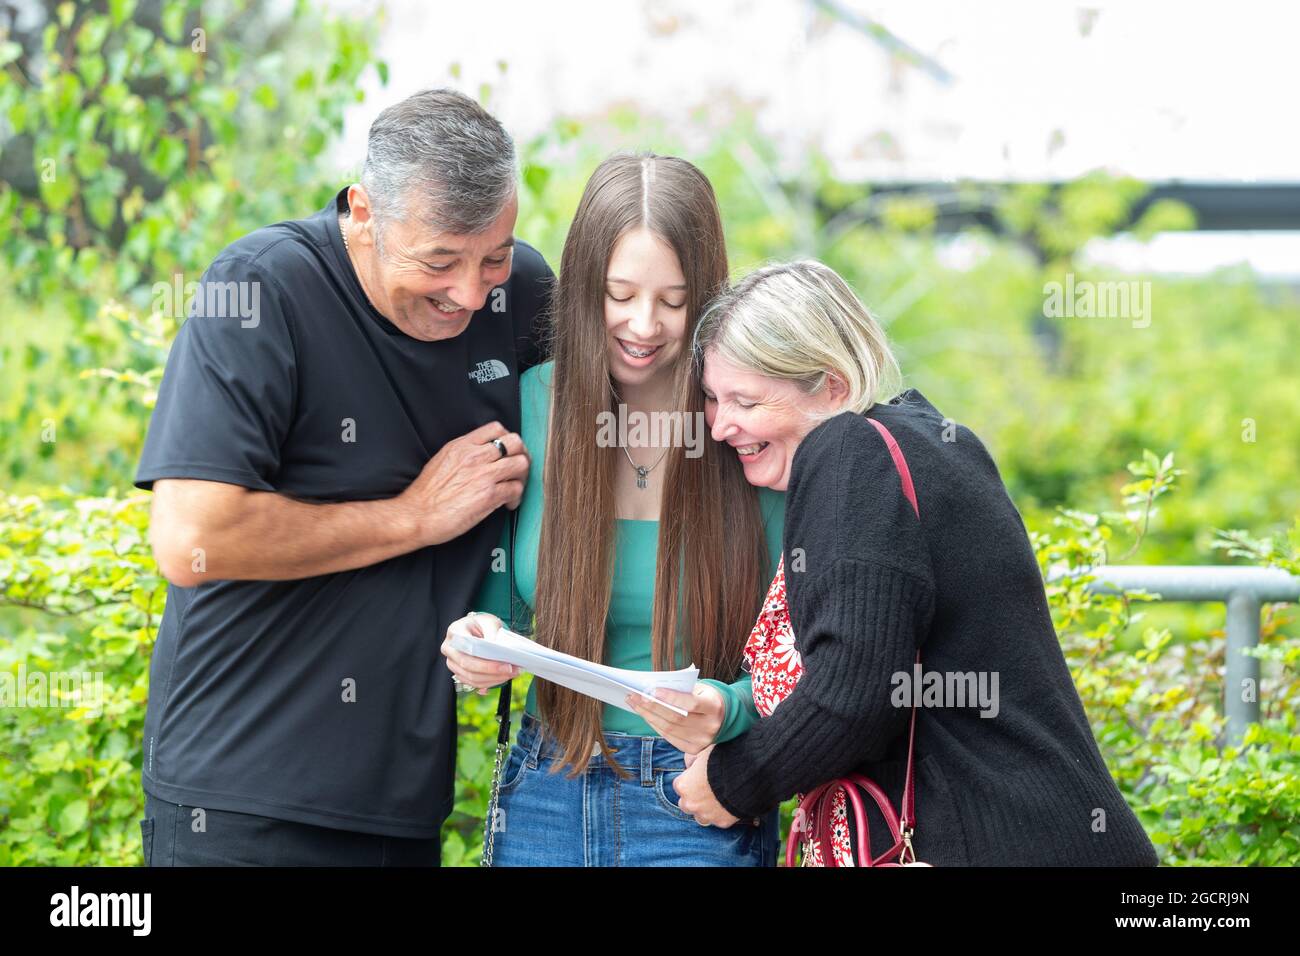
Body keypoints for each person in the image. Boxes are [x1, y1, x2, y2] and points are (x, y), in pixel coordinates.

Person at [135, 89, 552, 866]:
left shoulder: (521, 291)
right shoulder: (260, 289)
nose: (469, 292)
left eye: (491, 255)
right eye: (439, 261)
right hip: (235, 798)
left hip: (401, 804)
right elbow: (193, 536)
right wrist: (416, 517)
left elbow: (622, 423)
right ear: (362, 212)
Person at [672, 260, 1159, 867]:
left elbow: (854, 694)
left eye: (745, 400)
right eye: (714, 399)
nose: (720, 426)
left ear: (833, 386)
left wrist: (733, 782)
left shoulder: (846, 453)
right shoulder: (935, 440)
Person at [441, 153, 784, 866]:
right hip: (545, 783)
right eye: (619, 293)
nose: (643, 324)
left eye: (673, 299)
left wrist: (736, 715)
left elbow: (805, 651)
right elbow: (500, 605)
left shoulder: (746, 424)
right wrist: (479, 639)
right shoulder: (533, 406)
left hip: (697, 796)